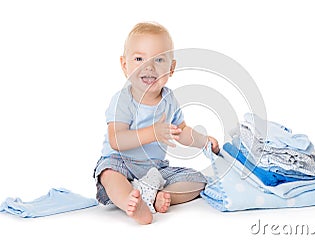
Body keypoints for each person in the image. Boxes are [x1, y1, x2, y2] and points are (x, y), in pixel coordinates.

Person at [93, 22, 220, 225]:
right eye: (139, 58)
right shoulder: (123, 100)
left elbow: (181, 131)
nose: (149, 67)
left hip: (154, 170)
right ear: (125, 65)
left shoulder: (169, 100)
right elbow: (116, 139)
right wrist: (153, 132)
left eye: (159, 59)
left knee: (197, 181)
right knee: (109, 175)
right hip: (120, 162)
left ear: (171, 68)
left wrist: (203, 140)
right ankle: (130, 201)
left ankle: (151, 195)